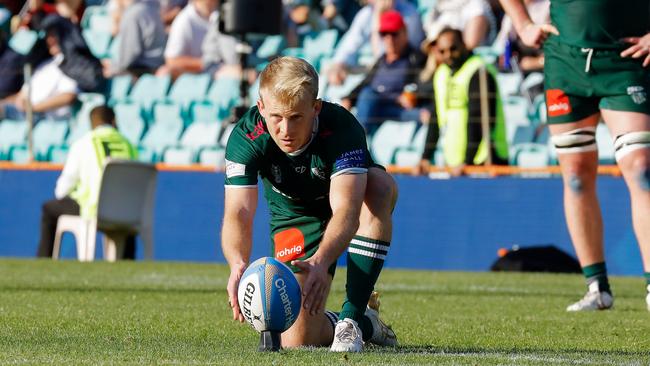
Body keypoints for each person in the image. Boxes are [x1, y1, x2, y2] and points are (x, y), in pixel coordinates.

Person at [222, 56, 398, 352]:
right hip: (293, 215)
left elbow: (346, 212)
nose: (285, 129)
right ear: (261, 107)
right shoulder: (246, 137)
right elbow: (238, 211)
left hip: (342, 204)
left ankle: (352, 319)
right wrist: (237, 263)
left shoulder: (342, 128)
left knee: (379, 188)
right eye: (276, 117)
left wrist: (321, 260)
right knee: (297, 339)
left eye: (296, 117)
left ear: (315, 108)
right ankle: (370, 323)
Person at [500, 0, 650, 311]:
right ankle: (597, 288)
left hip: (625, 60)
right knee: (576, 176)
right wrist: (523, 24)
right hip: (565, 62)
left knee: (641, 168)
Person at [37, 106, 138, 258]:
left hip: (92, 208)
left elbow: (61, 190)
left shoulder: (83, 143)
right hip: (125, 212)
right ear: (114, 121)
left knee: (48, 208)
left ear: (91, 123)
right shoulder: (129, 145)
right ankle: (126, 261)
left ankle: (43, 262)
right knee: (122, 209)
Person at [417, 28, 509, 176]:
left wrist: (467, 162)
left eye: (453, 48)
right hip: (455, 162)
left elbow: (478, 119)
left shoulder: (479, 70)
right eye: (442, 51)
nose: (448, 55)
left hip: (485, 160)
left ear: (463, 44)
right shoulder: (441, 74)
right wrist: (426, 157)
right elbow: (436, 117)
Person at [341, 9, 425, 136]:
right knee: (365, 96)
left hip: (396, 108)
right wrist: (349, 98)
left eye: (394, 33)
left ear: (405, 32)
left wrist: (414, 95)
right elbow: (365, 83)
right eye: (384, 34)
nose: (389, 39)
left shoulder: (416, 59)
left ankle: (357, 140)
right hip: (374, 106)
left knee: (368, 96)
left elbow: (423, 87)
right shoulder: (382, 60)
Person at [327, 0, 424, 86]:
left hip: (397, 73)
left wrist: (379, 17)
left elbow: (385, 57)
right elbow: (348, 47)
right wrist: (339, 64)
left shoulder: (409, 13)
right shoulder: (366, 13)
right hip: (368, 72)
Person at [109, 0, 166, 77]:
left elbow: (130, 55)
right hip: (155, 67)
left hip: (142, 71)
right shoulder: (150, 9)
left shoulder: (133, 14)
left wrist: (112, 68)